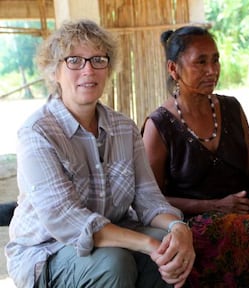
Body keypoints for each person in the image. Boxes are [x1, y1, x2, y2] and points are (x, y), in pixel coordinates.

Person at [5, 19, 195, 288]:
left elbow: (149, 200)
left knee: (169, 248)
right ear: (54, 71)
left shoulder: (124, 128)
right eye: (74, 61)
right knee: (114, 263)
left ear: (109, 67)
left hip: (114, 239)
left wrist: (179, 228)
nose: (88, 70)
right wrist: (147, 243)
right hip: (47, 251)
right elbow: (68, 220)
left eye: (98, 60)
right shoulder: (37, 133)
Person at [141, 25, 249, 288]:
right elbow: (150, 199)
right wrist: (213, 205)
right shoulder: (159, 125)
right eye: (200, 62)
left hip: (241, 212)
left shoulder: (231, 107)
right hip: (190, 222)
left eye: (215, 60)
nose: (212, 70)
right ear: (173, 69)